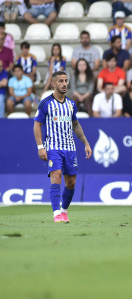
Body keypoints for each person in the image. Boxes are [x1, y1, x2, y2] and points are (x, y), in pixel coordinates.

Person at [33, 71, 92, 222]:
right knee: (56, 175)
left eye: (66, 81)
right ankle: (56, 213)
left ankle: (64, 211)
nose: (64, 84)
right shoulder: (45, 103)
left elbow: (76, 125)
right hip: (53, 147)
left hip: (70, 148)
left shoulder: (71, 104)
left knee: (71, 182)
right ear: (53, 84)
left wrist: (85, 142)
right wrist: (40, 146)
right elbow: (37, 125)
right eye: (61, 81)